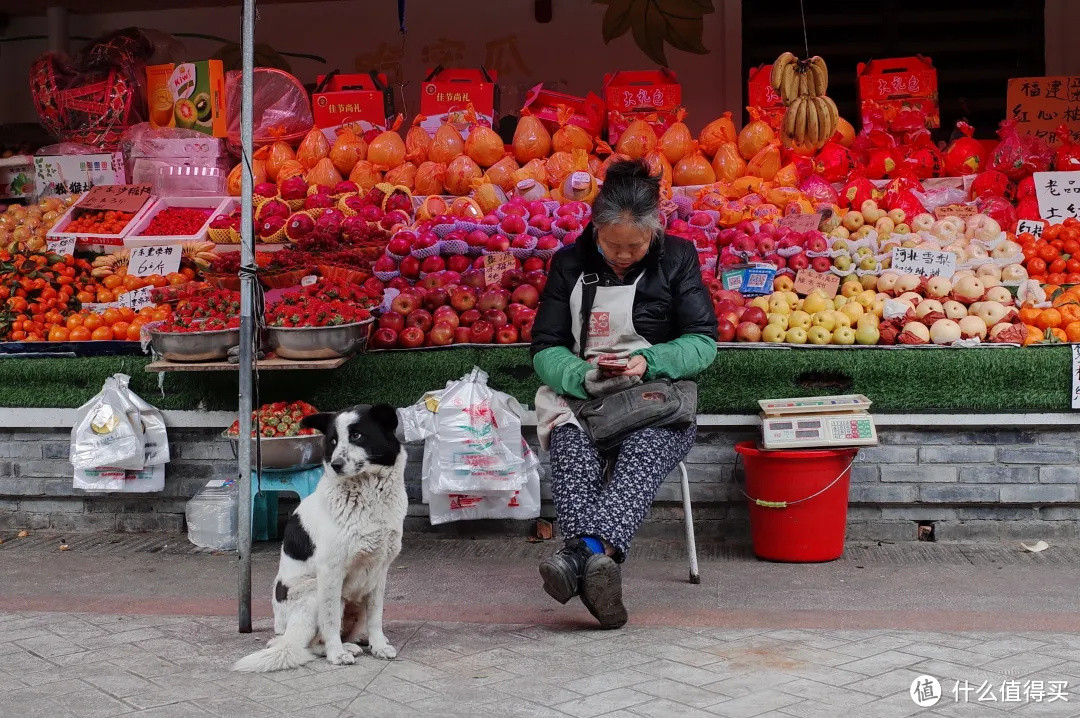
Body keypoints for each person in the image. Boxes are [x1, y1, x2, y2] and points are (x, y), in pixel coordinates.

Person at [530, 159, 718, 628]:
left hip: (655, 397)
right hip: (582, 395)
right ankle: (599, 565)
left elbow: (702, 341)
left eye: (635, 246)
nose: (622, 255)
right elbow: (545, 347)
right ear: (594, 228)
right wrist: (583, 376)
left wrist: (650, 361)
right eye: (612, 245)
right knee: (572, 450)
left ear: (656, 229)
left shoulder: (678, 257)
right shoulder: (569, 263)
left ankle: (580, 557)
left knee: (640, 451)